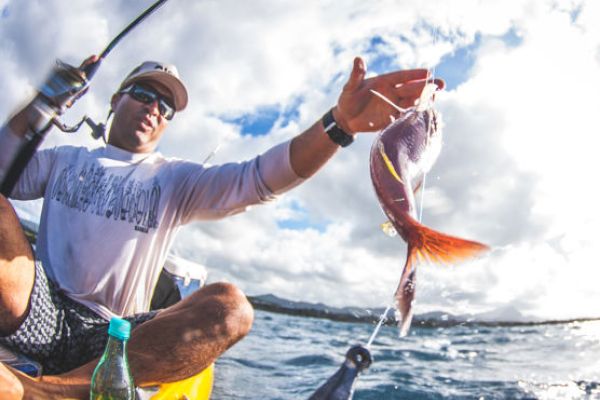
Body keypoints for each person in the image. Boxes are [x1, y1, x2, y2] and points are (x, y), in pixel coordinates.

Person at [0, 54, 442, 398]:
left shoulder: (173, 178)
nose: (155, 107)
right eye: (144, 93)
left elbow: (258, 178)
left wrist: (339, 124)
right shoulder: (63, 160)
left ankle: (47, 394)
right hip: (38, 308)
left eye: (167, 105)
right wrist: (45, 100)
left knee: (232, 308)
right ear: (116, 99)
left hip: (114, 337)